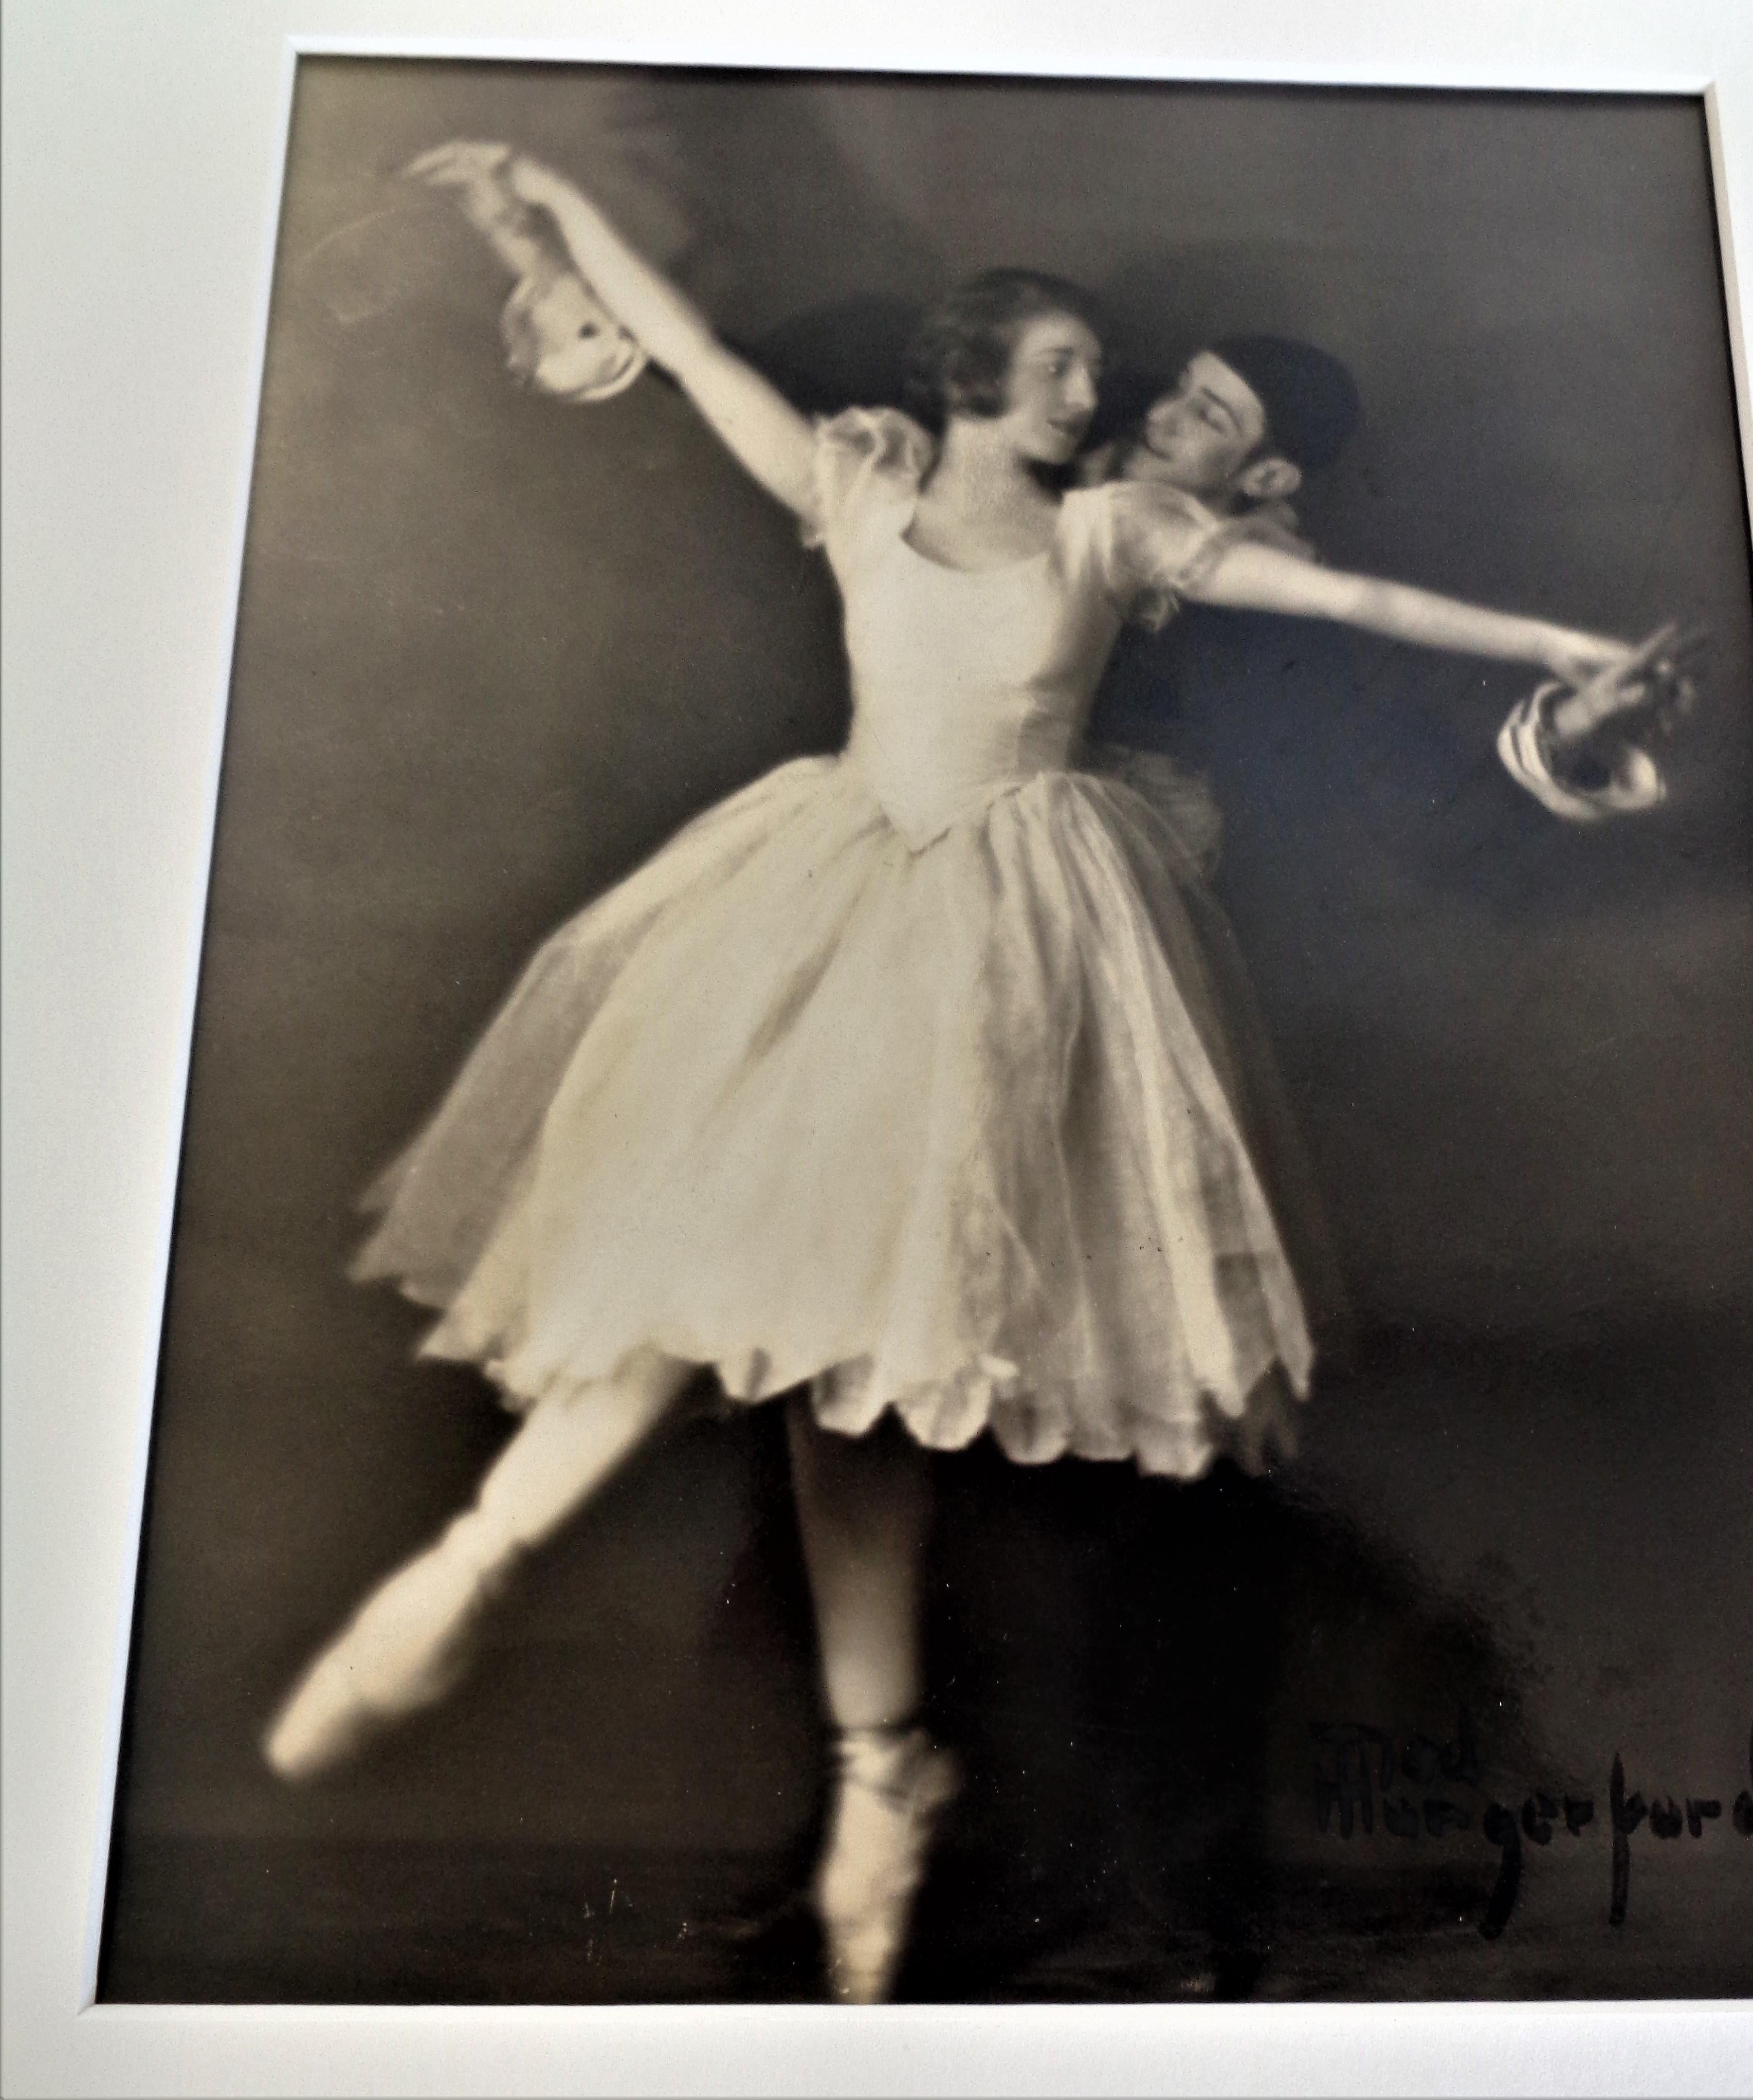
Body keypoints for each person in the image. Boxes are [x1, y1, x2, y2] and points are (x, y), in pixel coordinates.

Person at [263, 143, 1664, 2002]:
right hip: (833, 912)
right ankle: (586, 1615)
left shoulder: (1133, 536)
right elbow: (686, 349)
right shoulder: (863, 481)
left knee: (880, 1380)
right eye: (1088, 373)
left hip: (1035, 968)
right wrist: (542, 203)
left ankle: (907, 1795)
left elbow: (1368, 618)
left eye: (1160, 395)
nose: (1122, 400)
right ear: (978, 378)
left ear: (1264, 471)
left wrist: (1569, 655)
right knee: (752, 1306)